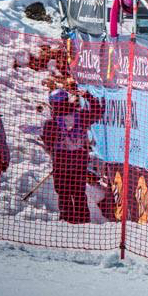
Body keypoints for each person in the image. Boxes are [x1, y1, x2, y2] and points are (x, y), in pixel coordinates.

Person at [41, 88, 103, 224]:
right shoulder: (80, 115)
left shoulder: (51, 122)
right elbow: (98, 112)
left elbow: (48, 142)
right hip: (79, 160)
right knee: (79, 192)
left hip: (61, 161)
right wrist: (88, 96)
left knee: (64, 192)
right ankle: (83, 221)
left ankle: (67, 219)